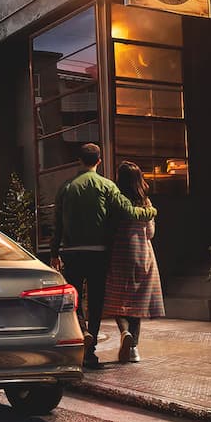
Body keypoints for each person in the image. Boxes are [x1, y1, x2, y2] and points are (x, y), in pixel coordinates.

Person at [50, 144, 157, 370]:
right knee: (96, 301)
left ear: (79, 160)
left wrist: (53, 252)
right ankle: (91, 353)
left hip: (71, 251)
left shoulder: (66, 187)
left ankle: (83, 331)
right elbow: (128, 211)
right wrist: (150, 212)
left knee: (75, 298)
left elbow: (57, 224)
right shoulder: (107, 186)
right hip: (98, 252)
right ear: (99, 161)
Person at [103, 161, 165, 363]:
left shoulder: (115, 200)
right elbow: (151, 233)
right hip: (142, 254)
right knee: (137, 303)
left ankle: (124, 333)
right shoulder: (145, 202)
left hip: (119, 255)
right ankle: (134, 350)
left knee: (117, 301)